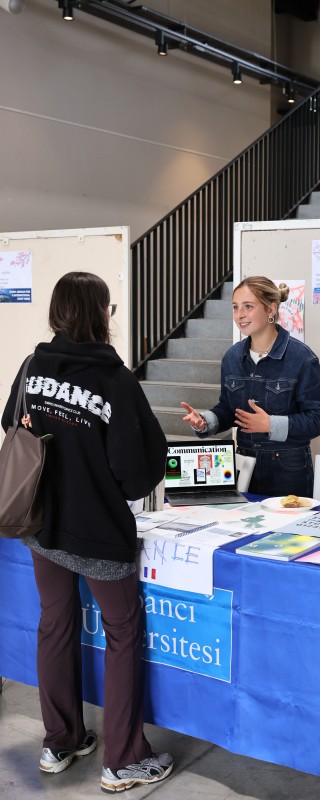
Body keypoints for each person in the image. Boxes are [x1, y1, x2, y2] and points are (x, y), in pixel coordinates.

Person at [1, 272, 173, 794]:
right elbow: (137, 476)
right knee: (123, 632)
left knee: (55, 624)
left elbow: (12, 426)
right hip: (97, 531)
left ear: (58, 312)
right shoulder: (116, 381)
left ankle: (60, 742)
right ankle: (123, 759)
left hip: (43, 527)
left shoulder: (32, 367)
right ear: (100, 314)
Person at [181, 276, 320, 497]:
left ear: (271, 309)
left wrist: (270, 424)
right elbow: (228, 409)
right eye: (235, 307)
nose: (240, 314)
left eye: (248, 307)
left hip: (288, 470)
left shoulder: (302, 358)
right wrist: (205, 421)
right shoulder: (232, 357)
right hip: (243, 466)